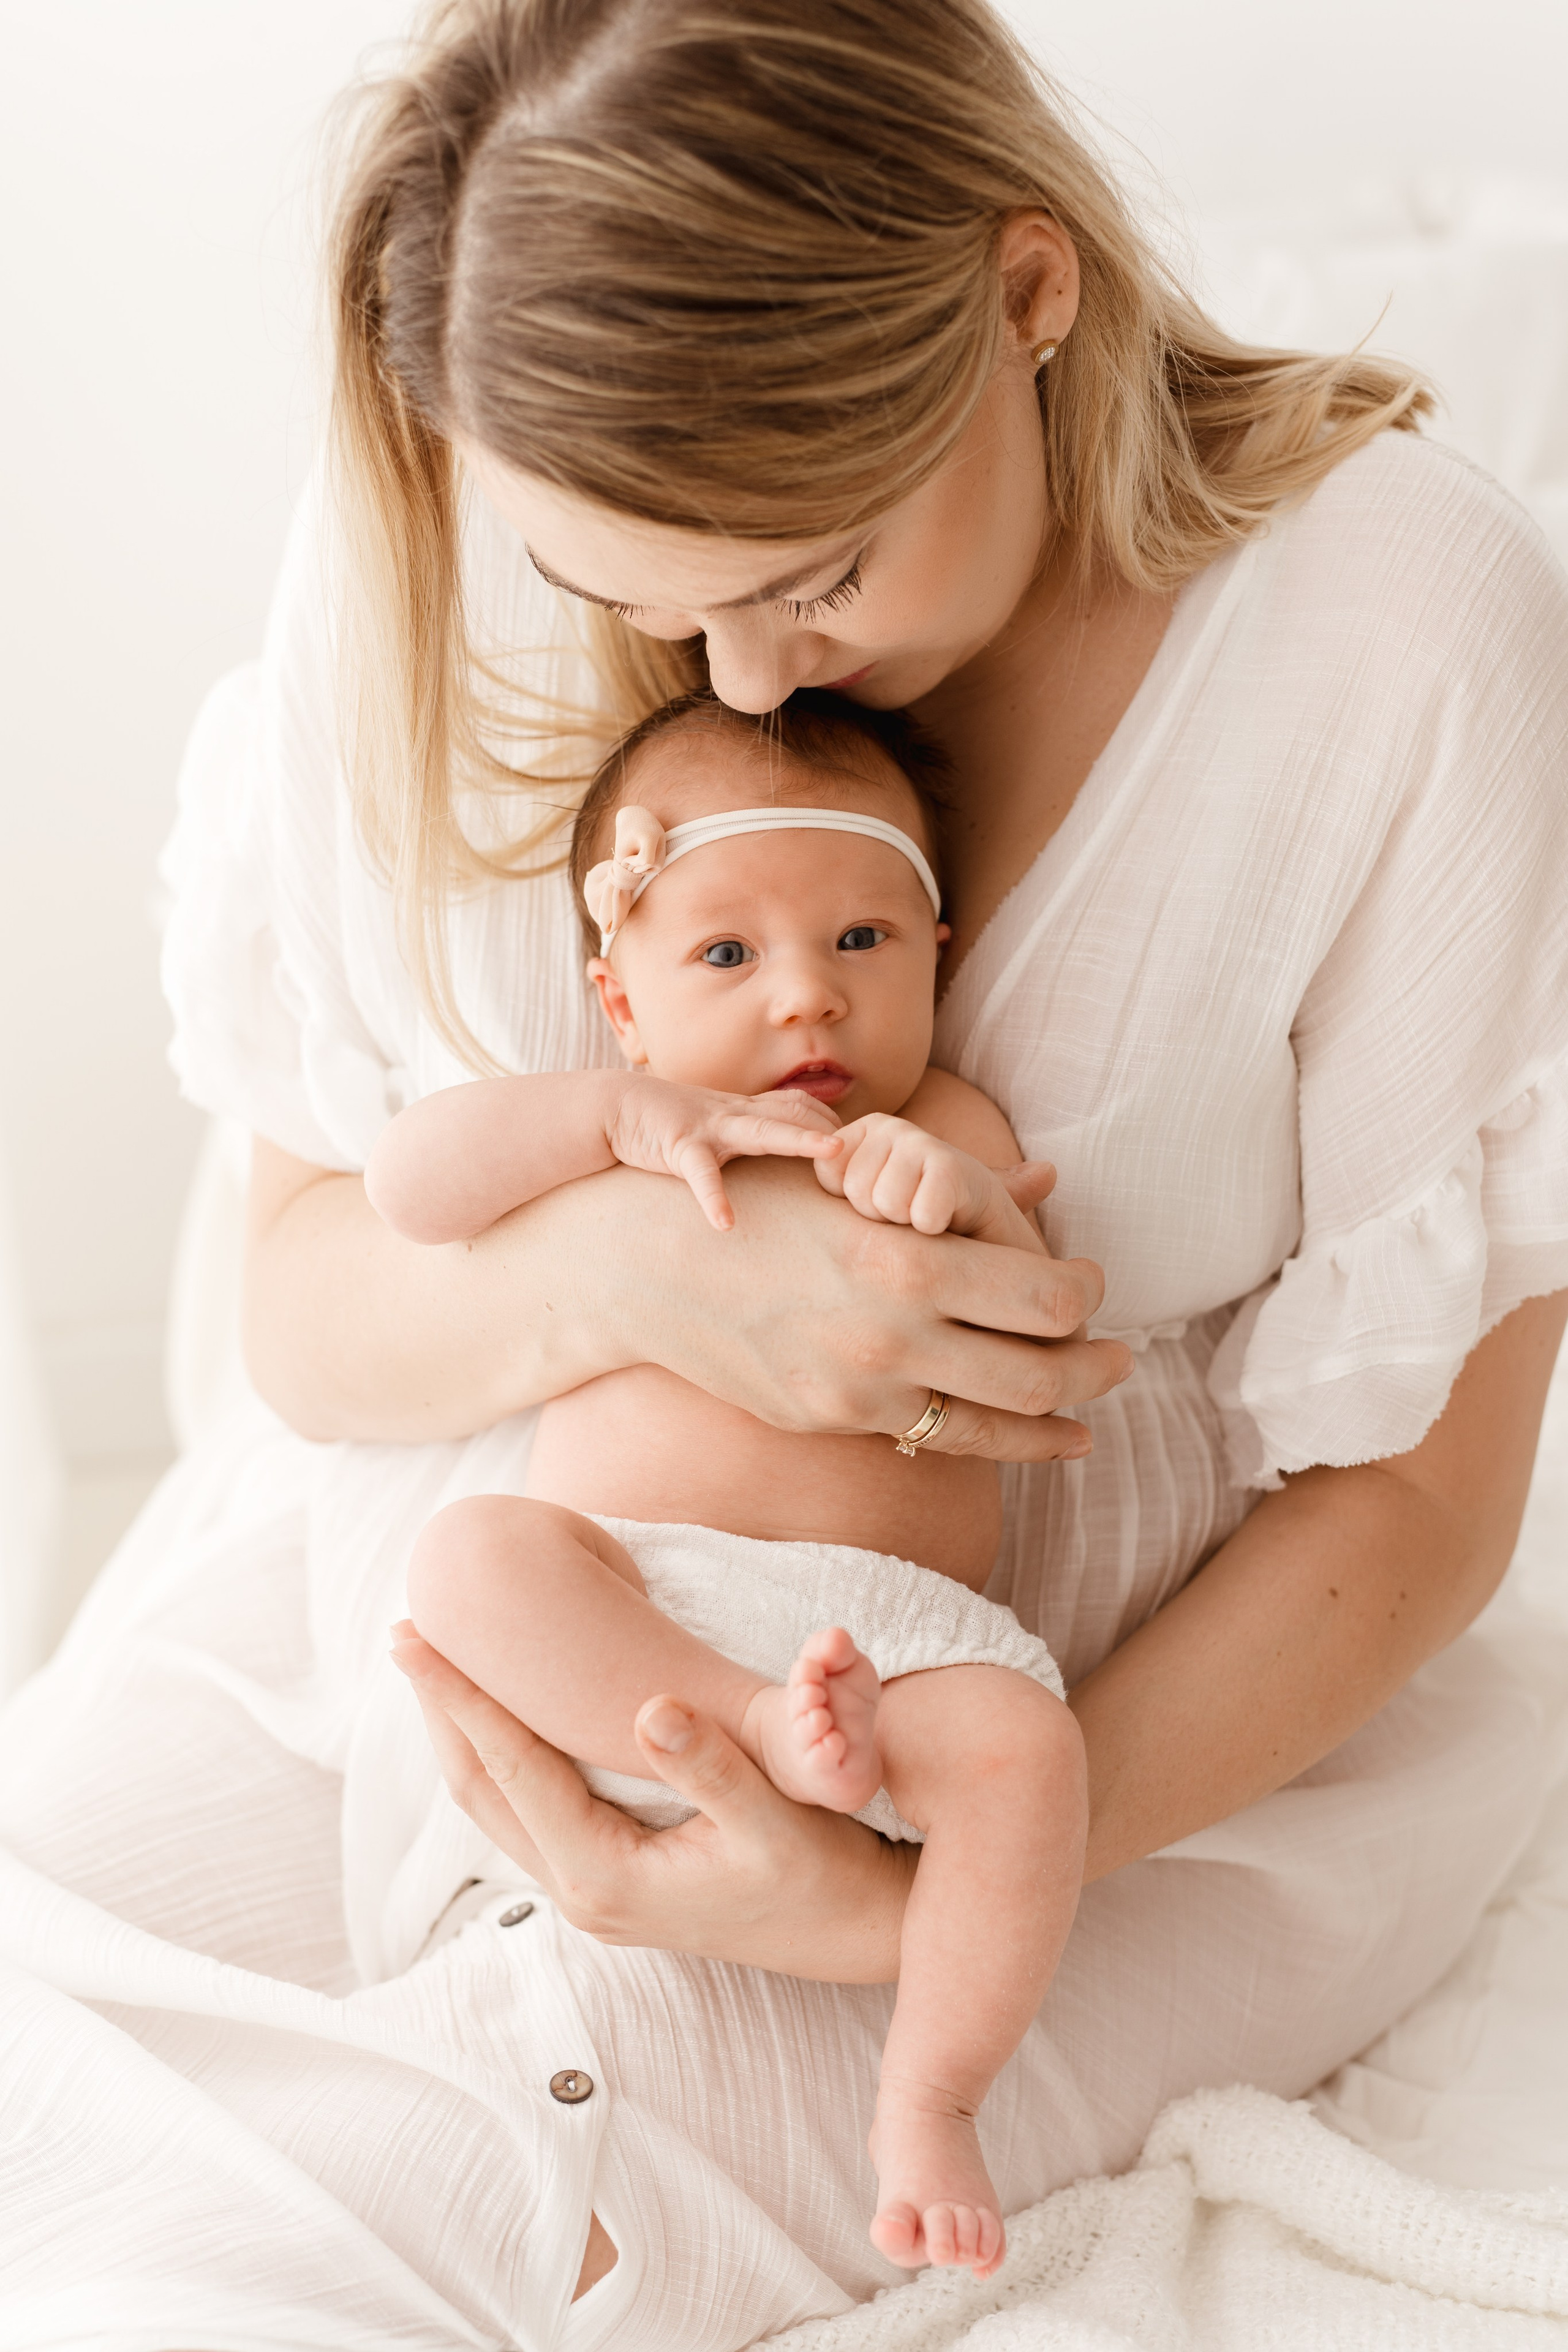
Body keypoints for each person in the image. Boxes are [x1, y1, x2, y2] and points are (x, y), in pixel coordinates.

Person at [1, 0, 1566, 2343]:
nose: (729, 669)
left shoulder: (1406, 640)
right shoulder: (459, 509)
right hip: (427, 1610)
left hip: (1082, 1758)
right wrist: (647, 1275)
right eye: (643, 593)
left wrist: (912, 1889)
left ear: (1026, 293)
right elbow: (304, 1303)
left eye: (811, 568)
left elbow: (1425, 1507)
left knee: (418, 2207)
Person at [372, 688, 1090, 2280]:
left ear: (940, 954)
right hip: (638, 1614)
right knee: (473, 1558)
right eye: (726, 956)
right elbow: (411, 1190)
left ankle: (933, 2100)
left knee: (1031, 1753)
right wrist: (608, 1117)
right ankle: (747, 1727)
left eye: (860, 944)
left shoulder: (942, 1123)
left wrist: (954, 1198)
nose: (806, 1005)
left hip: (887, 1651)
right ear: (615, 998)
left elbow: (1030, 1287)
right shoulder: (617, 1127)